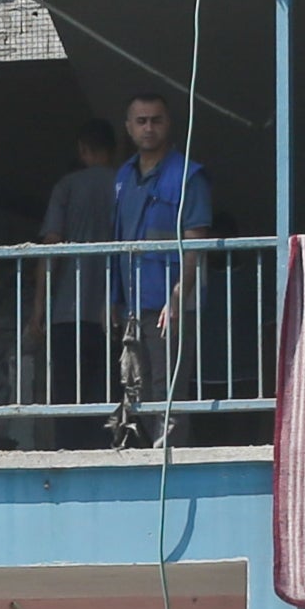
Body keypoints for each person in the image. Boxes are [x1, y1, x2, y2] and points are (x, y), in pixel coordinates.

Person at [104, 93, 215, 439]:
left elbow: (195, 242)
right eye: (141, 121)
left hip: (172, 305)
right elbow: (118, 240)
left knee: (168, 391)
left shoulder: (188, 175)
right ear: (128, 127)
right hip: (134, 305)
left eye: (156, 120)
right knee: (138, 391)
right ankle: (149, 466)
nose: (148, 127)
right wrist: (113, 298)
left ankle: (172, 466)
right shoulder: (124, 176)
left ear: (169, 125)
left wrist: (179, 295)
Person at [36, 117, 126, 423]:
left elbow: (50, 250)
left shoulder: (67, 187)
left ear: (82, 150)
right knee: (109, 401)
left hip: (66, 311)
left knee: (68, 402)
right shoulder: (126, 185)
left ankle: (69, 459)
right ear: (114, 151)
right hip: (114, 311)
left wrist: (37, 314)